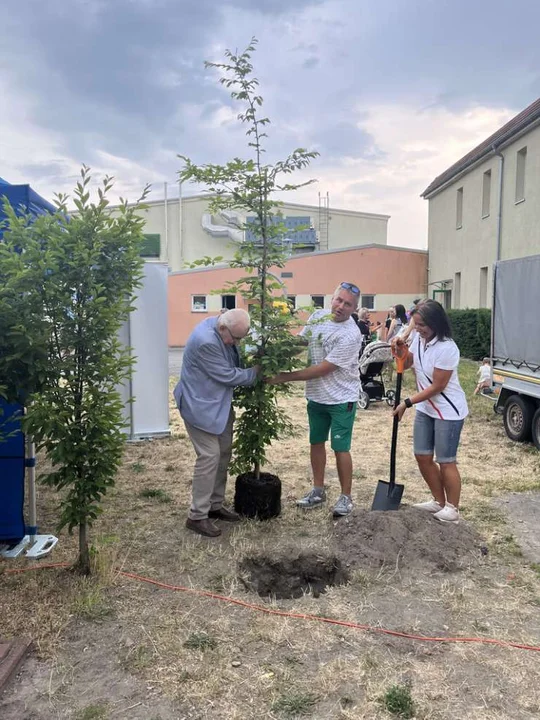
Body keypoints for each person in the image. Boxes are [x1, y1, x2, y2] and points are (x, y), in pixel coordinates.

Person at [267, 282, 363, 517]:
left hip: (342, 398)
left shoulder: (351, 334)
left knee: (340, 447)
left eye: (347, 304)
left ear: (354, 309)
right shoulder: (318, 317)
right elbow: (301, 343)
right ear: (332, 298)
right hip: (317, 396)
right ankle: (318, 490)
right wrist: (273, 352)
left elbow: (323, 368)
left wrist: (283, 377)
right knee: (316, 442)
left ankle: (346, 498)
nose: (341, 306)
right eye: (339, 300)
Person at [173, 309, 260, 537]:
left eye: (242, 338)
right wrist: (258, 373)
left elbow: (233, 358)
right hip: (199, 406)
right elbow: (229, 376)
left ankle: (214, 504)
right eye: (236, 338)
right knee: (209, 456)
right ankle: (197, 516)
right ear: (223, 328)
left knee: (223, 452)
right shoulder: (205, 342)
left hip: (217, 404)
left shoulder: (222, 326)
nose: (237, 343)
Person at [391, 299, 468, 524]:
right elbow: (407, 364)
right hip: (426, 408)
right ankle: (438, 501)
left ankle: (452, 509)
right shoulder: (418, 339)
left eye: (423, 325)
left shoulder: (447, 348)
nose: (419, 329)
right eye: (416, 324)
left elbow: (438, 386)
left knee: (446, 460)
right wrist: (401, 351)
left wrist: (407, 402)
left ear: (436, 323)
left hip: (448, 411)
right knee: (422, 456)